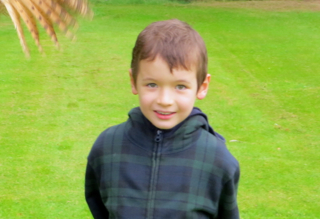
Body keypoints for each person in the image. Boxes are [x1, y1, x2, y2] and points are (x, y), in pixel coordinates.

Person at [85, 19, 240, 219]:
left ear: (202, 86)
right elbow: (100, 206)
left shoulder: (218, 160)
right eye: (152, 84)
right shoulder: (107, 147)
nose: (165, 101)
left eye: (180, 86)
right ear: (133, 82)